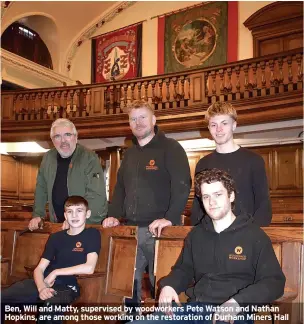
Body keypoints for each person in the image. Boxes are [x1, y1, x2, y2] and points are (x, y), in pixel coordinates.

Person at [132, 168, 285, 323]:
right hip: (195, 309)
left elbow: (274, 282)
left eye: (218, 195)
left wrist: (238, 302)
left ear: (231, 196)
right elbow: (183, 270)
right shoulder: (197, 234)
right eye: (206, 197)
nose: (211, 202)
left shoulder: (254, 236)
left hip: (233, 313)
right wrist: (170, 285)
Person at [103, 99, 191, 304]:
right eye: (133, 119)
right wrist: (113, 215)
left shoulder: (171, 147)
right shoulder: (129, 153)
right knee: (126, 286)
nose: (138, 122)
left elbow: (182, 186)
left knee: (163, 287)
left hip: (161, 230)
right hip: (131, 230)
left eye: (142, 117)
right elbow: (120, 189)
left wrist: (170, 218)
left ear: (153, 119)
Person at [2, 196, 101, 323]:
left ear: (87, 214)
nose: (74, 215)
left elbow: (89, 267)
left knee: (50, 307)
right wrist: (42, 288)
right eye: (70, 211)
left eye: (79, 210)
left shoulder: (92, 234)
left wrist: (56, 272)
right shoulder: (56, 237)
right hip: (44, 282)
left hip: (67, 286)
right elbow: (39, 269)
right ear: (65, 215)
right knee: (3, 298)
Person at [191, 102, 272, 227]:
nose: (219, 129)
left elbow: (263, 204)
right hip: (212, 235)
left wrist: (254, 234)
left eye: (224, 123)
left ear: (234, 125)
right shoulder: (203, 164)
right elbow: (198, 206)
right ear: (209, 128)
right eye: (214, 125)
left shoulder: (253, 160)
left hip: (245, 232)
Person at [28, 118, 108, 231]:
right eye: (57, 136)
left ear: (76, 137)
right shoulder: (47, 158)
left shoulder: (89, 158)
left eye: (67, 135)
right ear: (52, 140)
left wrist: (77, 221)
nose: (63, 140)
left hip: (84, 226)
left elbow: (96, 196)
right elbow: (41, 189)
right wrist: (38, 215)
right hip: (57, 224)